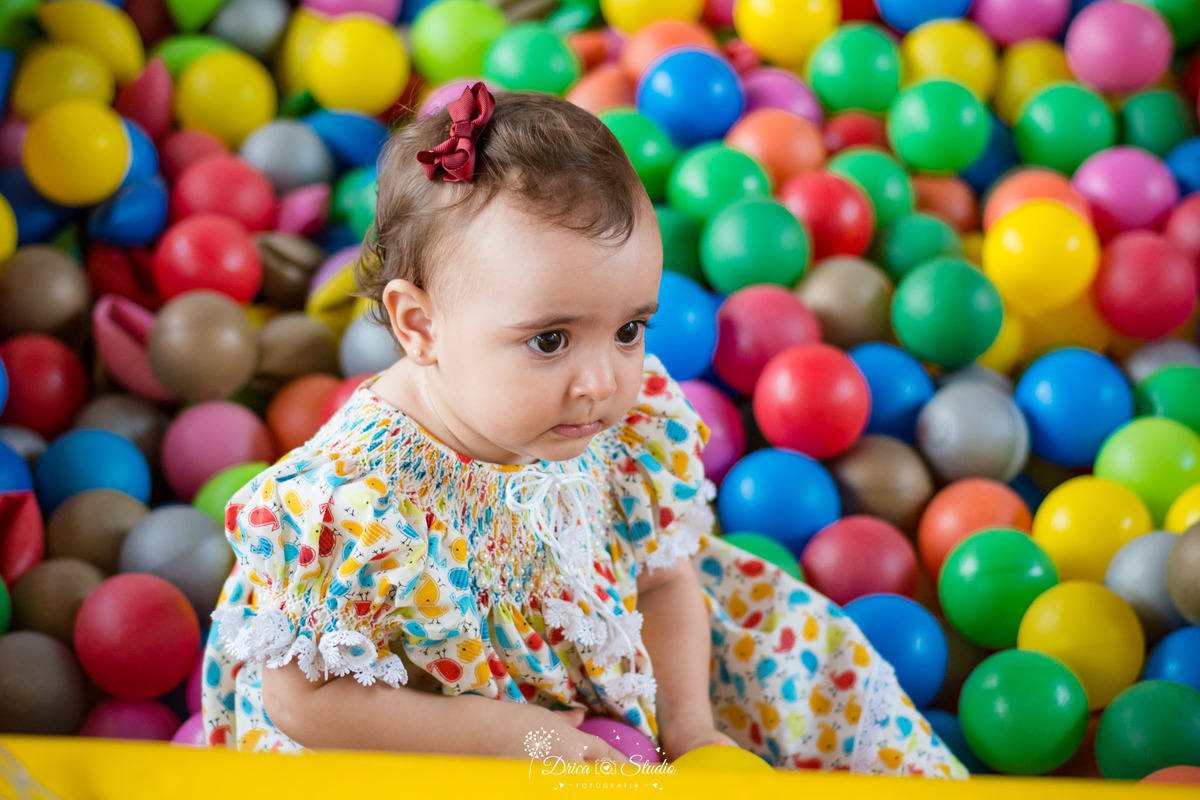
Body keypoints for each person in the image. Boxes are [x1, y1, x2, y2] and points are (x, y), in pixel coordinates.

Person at [201, 83, 968, 779]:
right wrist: (518, 738)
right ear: (420, 324)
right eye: (550, 340)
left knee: (795, 668)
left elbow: (665, 578)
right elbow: (302, 700)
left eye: (630, 328)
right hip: (426, 728)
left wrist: (692, 731)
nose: (604, 383)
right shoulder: (350, 502)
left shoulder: (615, 419)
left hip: (606, 647)